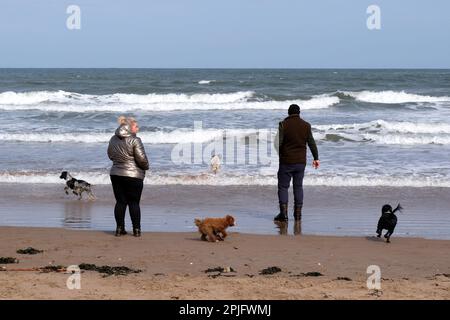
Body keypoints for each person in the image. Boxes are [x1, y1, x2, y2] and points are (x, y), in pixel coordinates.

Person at [274, 104, 319, 222]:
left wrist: (281, 154)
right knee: (298, 187)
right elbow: (311, 143)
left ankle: (283, 214)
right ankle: (298, 215)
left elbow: (277, 143)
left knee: (283, 187)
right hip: (300, 162)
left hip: (286, 161)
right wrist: (316, 158)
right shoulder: (306, 125)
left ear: (288, 113)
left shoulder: (283, 124)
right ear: (299, 113)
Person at [107, 116, 149, 237]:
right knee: (134, 203)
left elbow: (110, 155)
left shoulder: (113, 139)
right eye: (136, 126)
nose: (138, 128)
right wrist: (146, 167)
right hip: (133, 175)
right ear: (129, 127)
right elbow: (142, 160)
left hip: (115, 174)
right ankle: (136, 230)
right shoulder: (135, 140)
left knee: (120, 202)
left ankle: (119, 229)